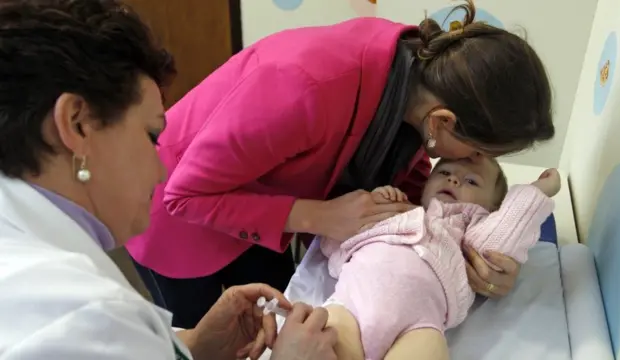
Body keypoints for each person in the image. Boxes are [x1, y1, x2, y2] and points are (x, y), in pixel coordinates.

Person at [126, 0, 555, 329]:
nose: (463, 166)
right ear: (442, 122)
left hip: (265, 211)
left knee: (272, 321)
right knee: (205, 336)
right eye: (475, 152)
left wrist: (469, 251)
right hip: (176, 217)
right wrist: (320, 216)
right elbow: (186, 195)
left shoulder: (414, 81)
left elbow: (408, 172)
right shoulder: (303, 87)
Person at [0, 1, 337, 359]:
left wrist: (190, 346)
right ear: (77, 123)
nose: (160, 170)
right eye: (151, 136)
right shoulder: (84, 316)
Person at [320, 158, 560, 359]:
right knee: (324, 341)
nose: (453, 179)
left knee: (430, 349)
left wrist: (536, 191)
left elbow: (503, 236)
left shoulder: (469, 233)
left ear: (494, 210)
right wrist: (377, 202)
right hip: (350, 306)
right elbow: (334, 239)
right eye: (444, 172)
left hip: (416, 328)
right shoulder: (398, 212)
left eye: (472, 181)